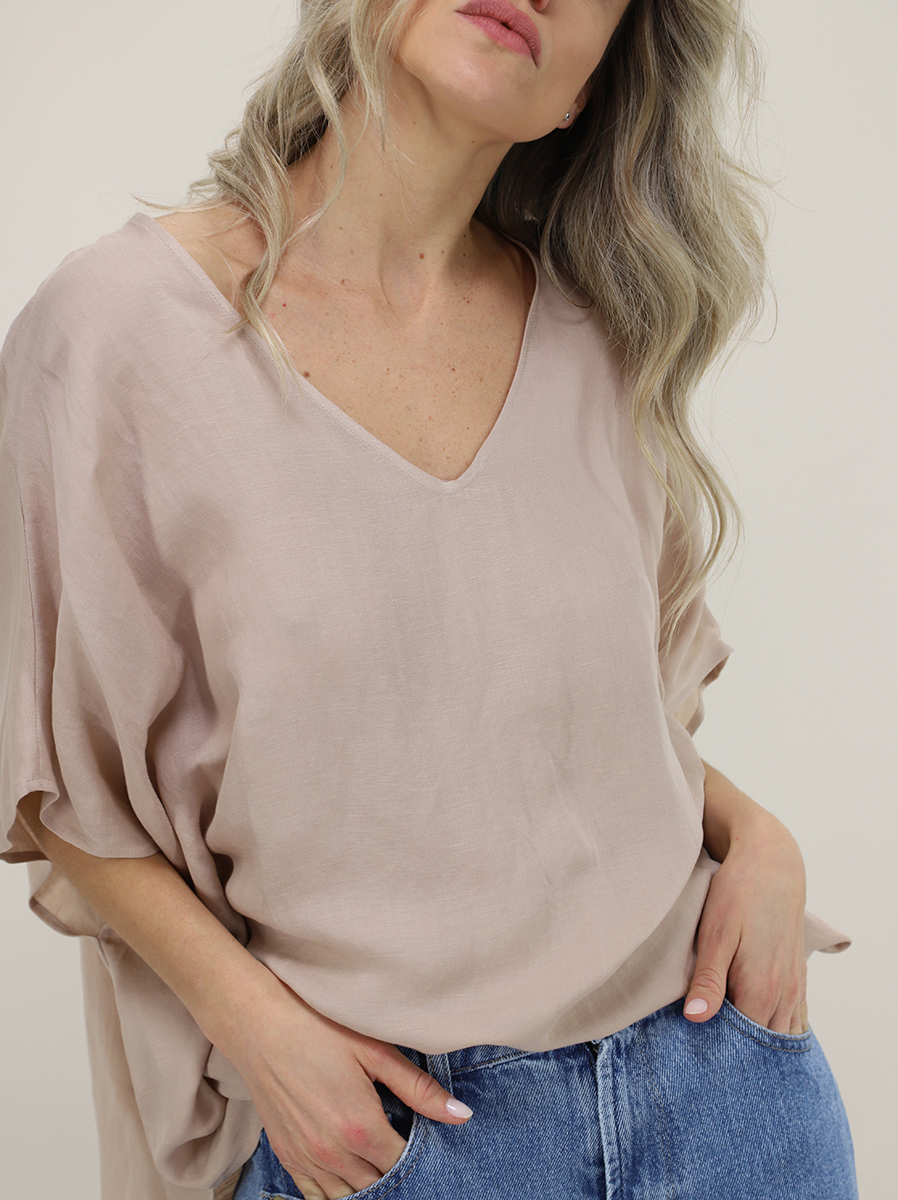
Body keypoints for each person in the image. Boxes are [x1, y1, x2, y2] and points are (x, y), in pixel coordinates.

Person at [0, 0, 858, 1196]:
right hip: (396, 1135)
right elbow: (57, 773)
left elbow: (580, 727)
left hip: (721, 1094)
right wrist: (255, 1027)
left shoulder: (594, 333)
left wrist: (758, 836)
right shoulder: (116, 332)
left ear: (585, 88)